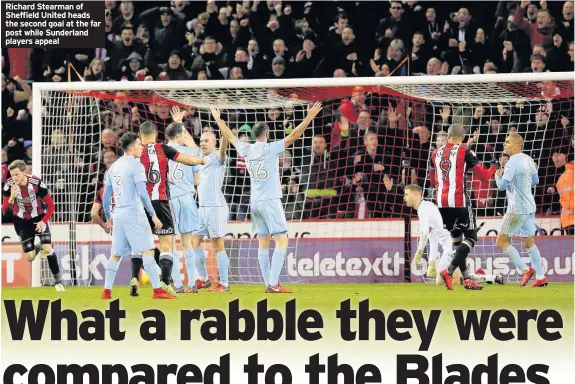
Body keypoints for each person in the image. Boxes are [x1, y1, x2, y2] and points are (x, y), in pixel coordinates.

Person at [209, 102, 323, 293]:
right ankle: (273, 284)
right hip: (270, 201)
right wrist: (310, 116)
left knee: (263, 242)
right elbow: (295, 135)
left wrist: (218, 118)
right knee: (282, 241)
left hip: (255, 202)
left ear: (254, 135)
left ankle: (269, 283)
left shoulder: (246, 149)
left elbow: (228, 135)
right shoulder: (271, 148)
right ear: (267, 134)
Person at [100, 132, 174, 300]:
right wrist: (153, 215)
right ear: (131, 147)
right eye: (140, 145)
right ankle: (157, 291)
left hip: (118, 214)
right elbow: (142, 193)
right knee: (148, 250)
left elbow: (106, 196)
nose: (142, 148)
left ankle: (106, 291)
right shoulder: (136, 165)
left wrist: (108, 216)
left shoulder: (114, 166)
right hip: (134, 213)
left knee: (116, 254)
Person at [135, 120, 205, 297]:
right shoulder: (163, 148)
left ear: (139, 135)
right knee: (167, 244)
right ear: (157, 134)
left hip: (141, 204)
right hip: (162, 202)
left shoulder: (136, 152)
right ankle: (165, 285)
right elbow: (187, 160)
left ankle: (134, 280)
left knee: (143, 246)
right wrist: (200, 160)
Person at [430, 124, 496, 290]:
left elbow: (432, 180)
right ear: (463, 137)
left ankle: (467, 279)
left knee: (457, 241)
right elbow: (484, 177)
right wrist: (495, 166)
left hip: (441, 204)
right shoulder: (465, 151)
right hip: (459, 201)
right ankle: (449, 271)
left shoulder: (434, 153)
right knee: (472, 237)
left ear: (449, 136)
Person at [2, 159, 64, 292]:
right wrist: (12, 197)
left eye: (17, 174)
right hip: (22, 222)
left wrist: (44, 221)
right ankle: (38, 246)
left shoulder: (37, 183)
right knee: (30, 257)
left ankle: (58, 282)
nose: (14, 178)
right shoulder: (8, 186)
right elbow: (5, 211)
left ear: (24, 172)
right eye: (12, 175)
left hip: (39, 218)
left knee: (48, 249)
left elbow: (52, 206)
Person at [495, 133, 547, 288]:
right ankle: (541, 276)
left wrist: (498, 176)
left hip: (517, 208)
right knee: (529, 242)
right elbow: (535, 181)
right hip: (530, 206)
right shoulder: (528, 159)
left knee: (501, 242)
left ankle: (525, 269)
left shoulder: (512, 162)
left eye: (508, 142)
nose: (505, 144)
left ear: (517, 146)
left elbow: (502, 187)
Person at [166, 108, 203, 293]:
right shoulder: (191, 152)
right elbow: (197, 180)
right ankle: (192, 283)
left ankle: (178, 285)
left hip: (170, 200)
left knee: (171, 243)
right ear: (180, 135)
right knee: (187, 242)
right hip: (187, 199)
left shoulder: (162, 152)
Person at [190, 130, 230, 292]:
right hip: (202, 209)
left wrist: (224, 137)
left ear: (214, 143)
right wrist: (179, 122)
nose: (203, 143)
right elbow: (188, 140)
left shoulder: (218, 159)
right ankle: (204, 279)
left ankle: (224, 284)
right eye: (201, 141)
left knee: (218, 245)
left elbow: (223, 151)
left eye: (206, 141)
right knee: (193, 244)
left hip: (216, 208)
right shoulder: (201, 158)